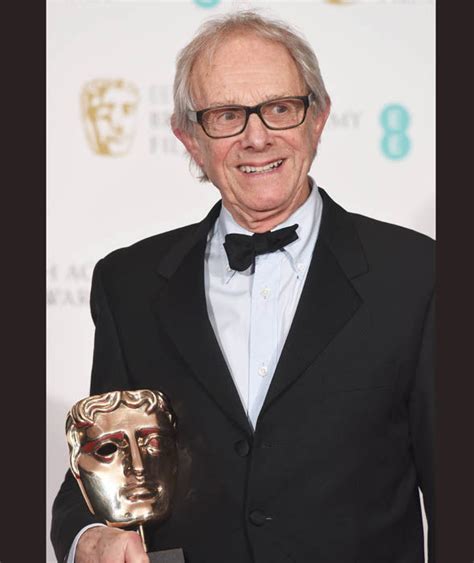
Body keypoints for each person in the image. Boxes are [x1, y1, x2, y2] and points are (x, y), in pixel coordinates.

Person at [51, 10, 434, 563]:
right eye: (227, 115)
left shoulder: (419, 275)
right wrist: (90, 535)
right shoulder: (127, 284)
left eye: (280, 109)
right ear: (189, 138)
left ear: (318, 118)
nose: (257, 138)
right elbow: (93, 467)